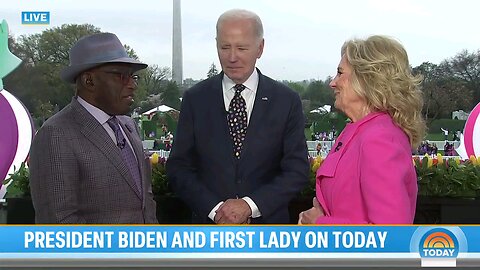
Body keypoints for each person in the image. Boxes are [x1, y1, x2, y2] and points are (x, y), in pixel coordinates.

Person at [166, 9, 309, 224]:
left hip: (267, 234)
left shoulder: (286, 101)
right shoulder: (195, 99)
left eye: (242, 48)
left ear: (260, 48)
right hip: (208, 233)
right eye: (225, 47)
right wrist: (216, 211)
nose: (232, 57)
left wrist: (249, 206)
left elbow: (296, 171)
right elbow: (179, 167)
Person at [29, 33, 158, 224]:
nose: (132, 85)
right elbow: (59, 223)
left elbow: (146, 202)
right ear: (89, 81)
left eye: (133, 77)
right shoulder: (56, 135)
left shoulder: (128, 126)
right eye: (121, 76)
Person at [298, 35, 426, 224]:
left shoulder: (380, 139)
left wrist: (319, 224)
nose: (332, 83)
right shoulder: (360, 131)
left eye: (340, 73)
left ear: (366, 80)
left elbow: (390, 235)